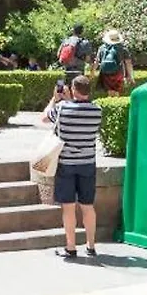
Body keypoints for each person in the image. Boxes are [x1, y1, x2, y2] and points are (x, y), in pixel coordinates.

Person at [50, 75, 103, 258]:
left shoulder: (62, 108)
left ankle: (71, 247)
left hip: (66, 164)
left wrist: (56, 99)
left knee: (69, 207)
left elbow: (45, 117)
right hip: (87, 163)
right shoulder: (97, 110)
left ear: (73, 89)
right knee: (88, 206)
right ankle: (91, 245)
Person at [94, 29, 131, 96]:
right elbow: (128, 63)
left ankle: (110, 102)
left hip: (105, 72)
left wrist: (92, 72)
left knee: (109, 90)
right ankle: (116, 103)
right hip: (118, 72)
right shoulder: (123, 49)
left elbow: (97, 61)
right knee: (117, 90)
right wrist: (130, 76)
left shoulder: (102, 48)